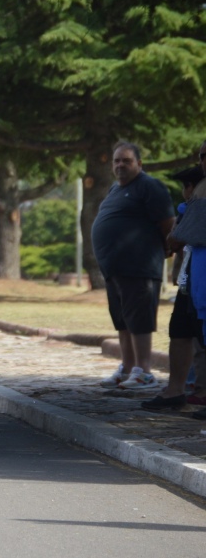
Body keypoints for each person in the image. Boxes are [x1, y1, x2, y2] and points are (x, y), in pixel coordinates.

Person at [91, 141, 175, 391]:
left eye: (126, 160)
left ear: (139, 163)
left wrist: (166, 250)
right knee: (123, 321)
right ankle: (127, 367)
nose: (120, 165)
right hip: (115, 270)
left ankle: (144, 372)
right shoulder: (114, 190)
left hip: (139, 268)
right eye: (116, 160)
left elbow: (168, 223)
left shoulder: (149, 186)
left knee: (138, 320)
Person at [141, 163, 205, 410]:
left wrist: (176, 236)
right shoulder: (191, 202)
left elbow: (178, 237)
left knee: (201, 335)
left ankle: (198, 389)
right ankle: (176, 389)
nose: (185, 191)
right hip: (189, 278)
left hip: (201, 276)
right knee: (180, 330)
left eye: (187, 186)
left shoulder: (199, 198)